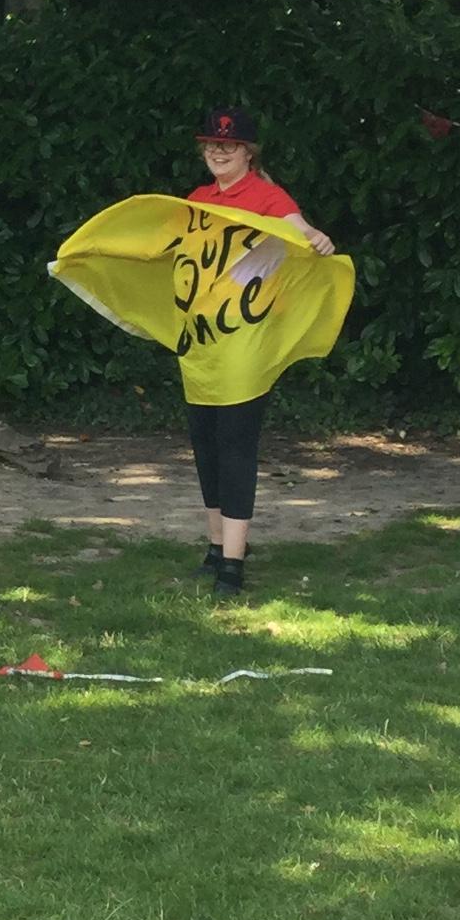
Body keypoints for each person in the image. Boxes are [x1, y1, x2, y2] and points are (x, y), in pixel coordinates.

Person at [184, 110, 334, 595]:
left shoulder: (269, 198)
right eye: (211, 143)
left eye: (228, 145)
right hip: (201, 342)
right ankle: (215, 548)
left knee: (235, 445)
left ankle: (233, 565)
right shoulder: (197, 199)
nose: (218, 151)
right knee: (205, 444)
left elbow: (299, 230)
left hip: (246, 342)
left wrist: (315, 237)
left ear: (248, 152)